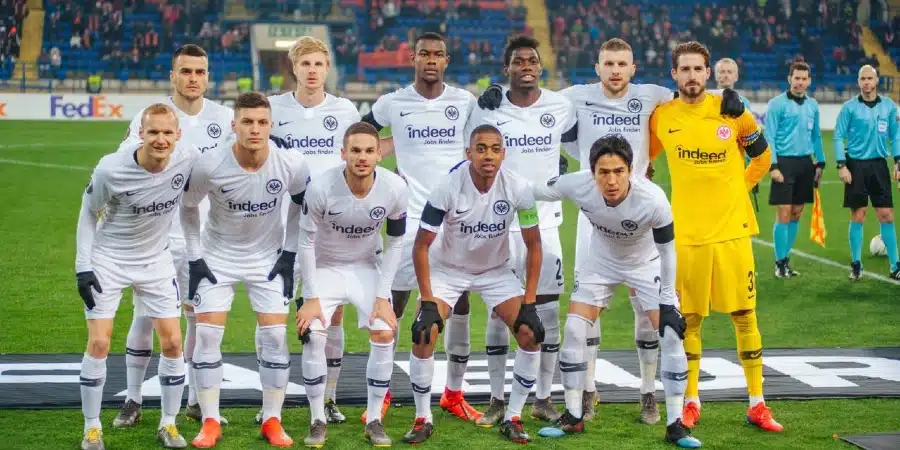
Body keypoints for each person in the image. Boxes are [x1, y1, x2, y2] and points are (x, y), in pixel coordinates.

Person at [477, 38, 746, 423]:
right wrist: (497, 93)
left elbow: (693, 91)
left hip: (640, 211)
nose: (616, 70)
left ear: (633, 68)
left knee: (646, 311)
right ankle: (586, 391)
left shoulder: (651, 94)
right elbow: (531, 96)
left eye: (622, 63)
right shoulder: (575, 97)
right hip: (593, 215)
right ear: (598, 68)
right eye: (608, 63)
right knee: (585, 311)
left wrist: (726, 95)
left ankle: (648, 394)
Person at [531, 135, 700, 449]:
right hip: (600, 263)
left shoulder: (653, 199)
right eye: (603, 172)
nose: (611, 180)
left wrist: (667, 302)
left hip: (646, 264)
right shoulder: (576, 184)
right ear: (591, 172)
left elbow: (668, 253)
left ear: (630, 170)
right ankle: (572, 415)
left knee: (673, 335)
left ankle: (676, 425)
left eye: (619, 171)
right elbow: (531, 190)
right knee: (573, 331)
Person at [648, 41, 783, 433]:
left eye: (698, 69)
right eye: (684, 69)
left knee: (744, 315)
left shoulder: (732, 111)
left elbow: (763, 157)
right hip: (686, 235)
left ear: (708, 73)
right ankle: (691, 400)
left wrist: (739, 189)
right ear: (674, 74)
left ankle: (757, 402)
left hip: (732, 232)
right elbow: (644, 162)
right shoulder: (662, 117)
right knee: (689, 320)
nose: (691, 76)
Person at [361, 31, 482, 423]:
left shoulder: (464, 102)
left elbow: (484, 143)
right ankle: (381, 394)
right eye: (424, 54)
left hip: (455, 218)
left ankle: (452, 393)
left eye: (439, 54)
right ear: (412, 57)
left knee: (458, 302)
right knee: (393, 302)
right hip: (408, 216)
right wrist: (386, 151)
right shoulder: (393, 103)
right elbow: (361, 135)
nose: (431, 60)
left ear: (447, 60)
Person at [115, 43, 236, 428]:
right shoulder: (150, 116)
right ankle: (133, 398)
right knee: (147, 315)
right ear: (173, 75)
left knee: (199, 319)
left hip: (207, 237)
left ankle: (193, 400)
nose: (193, 79)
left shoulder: (225, 117)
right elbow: (124, 164)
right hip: (158, 235)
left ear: (207, 76)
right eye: (185, 71)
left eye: (200, 72)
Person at [181, 92, 310, 448]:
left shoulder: (291, 162)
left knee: (275, 339)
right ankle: (209, 421)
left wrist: (290, 251)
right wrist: (195, 256)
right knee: (206, 335)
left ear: (271, 125)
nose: (255, 129)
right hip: (218, 257)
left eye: (262, 123)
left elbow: (301, 202)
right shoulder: (210, 163)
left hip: (268, 259)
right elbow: (188, 207)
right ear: (233, 125)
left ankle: (272, 419)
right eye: (248, 122)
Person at [402, 124, 545, 444]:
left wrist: (531, 302)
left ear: (503, 154)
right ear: (468, 153)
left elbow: (535, 245)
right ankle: (422, 417)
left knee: (530, 332)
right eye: (481, 148)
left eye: (495, 149)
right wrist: (426, 301)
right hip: (449, 269)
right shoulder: (447, 187)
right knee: (424, 331)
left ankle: (514, 417)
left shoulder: (518, 188)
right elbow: (421, 245)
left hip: (495, 271)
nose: (488, 155)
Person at [466, 34, 576, 424]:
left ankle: (543, 398)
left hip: (545, 223)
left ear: (540, 66)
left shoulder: (561, 106)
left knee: (545, 311)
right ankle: (498, 399)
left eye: (532, 60)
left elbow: (584, 142)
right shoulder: (489, 109)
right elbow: (470, 156)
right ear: (507, 68)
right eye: (518, 61)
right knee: (499, 313)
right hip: (498, 222)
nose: (526, 66)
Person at [76, 104, 199, 450]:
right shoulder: (111, 168)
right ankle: (92, 427)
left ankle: (169, 424)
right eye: (153, 132)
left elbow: (193, 204)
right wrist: (82, 267)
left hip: (155, 260)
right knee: (99, 343)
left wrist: (196, 253)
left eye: (167, 133)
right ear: (140, 134)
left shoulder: (187, 158)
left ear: (178, 135)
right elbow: (88, 212)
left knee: (173, 343)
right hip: (109, 259)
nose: (160, 140)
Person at [265, 35, 361, 425]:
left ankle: (330, 398)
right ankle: (270, 405)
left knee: (331, 316)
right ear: (293, 67)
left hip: (329, 229)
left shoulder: (344, 109)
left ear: (327, 68)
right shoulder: (274, 109)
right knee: (272, 315)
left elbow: (357, 155)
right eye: (305, 64)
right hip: (280, 225)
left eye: (319, 64)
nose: (312, 71)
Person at [294, 122, 408, 447]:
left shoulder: (395, 188)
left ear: (379, 155)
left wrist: (384, 296)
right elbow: (305, 244)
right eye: (355, 150)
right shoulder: (321, 188)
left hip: (365, 267)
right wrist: (311, 297)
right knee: (314, 332)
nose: (362, 157)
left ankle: (374, 420)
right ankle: (317, 419)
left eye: (369, 151)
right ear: (343, 153)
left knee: (385, 330)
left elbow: (396, 243)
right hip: (324, 267)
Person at [833, 64, 900, 280]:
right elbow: (837, 137)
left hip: (879, 165)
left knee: (886, 215)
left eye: (870, 78)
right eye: (863, 79)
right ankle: (856, 264)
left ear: (877, 80)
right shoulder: (849, 108)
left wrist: (898, 161)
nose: (867, 82)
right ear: (858, 82)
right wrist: (841, 165)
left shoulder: (889, 107)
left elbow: (896, 136)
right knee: (858, 214)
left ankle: (895, 265)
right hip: (856, 166)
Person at [764, 61, 826, 278]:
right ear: (789, 79)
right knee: (783, 213)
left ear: (809, 81)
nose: (800, 82)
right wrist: (773, 165)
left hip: (805, 163)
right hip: (784, 163)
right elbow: (769, 135)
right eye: (796, 78)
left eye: (804, 79)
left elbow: (816, 136)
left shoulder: (813, 105)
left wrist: (821, 162)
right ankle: (779, 262)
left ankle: (785, 259)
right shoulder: (776, 104)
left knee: (797, 213)